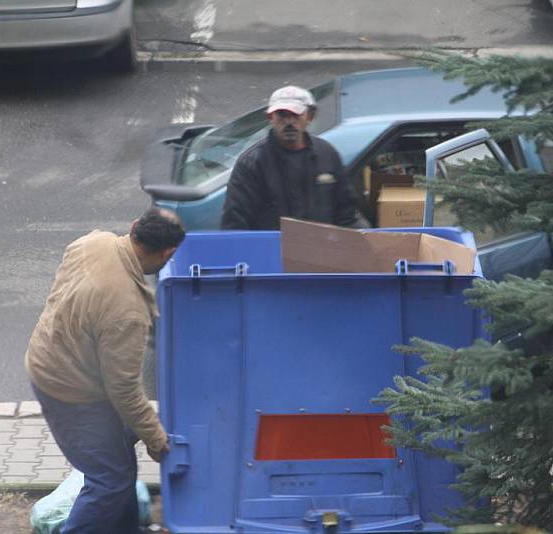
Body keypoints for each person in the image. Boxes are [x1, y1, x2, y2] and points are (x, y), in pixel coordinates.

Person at [25, 207, 185, 534]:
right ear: (168, 252)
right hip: (70, 392)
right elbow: (123, 390)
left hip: (51, 361)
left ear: (134, 226)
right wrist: (156, 439)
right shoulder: (127, 311)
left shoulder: (91, 242)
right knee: (108, 480)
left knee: (120, 458)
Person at [221, 85, 367, 230]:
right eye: (282, 115)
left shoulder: (327, 154)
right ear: (270, 117)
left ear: (310, 116)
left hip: (320, 249)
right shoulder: (252, 163)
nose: (289, 122)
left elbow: (347, 214)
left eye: (295, 114)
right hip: (273, 251)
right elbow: (235, 223)